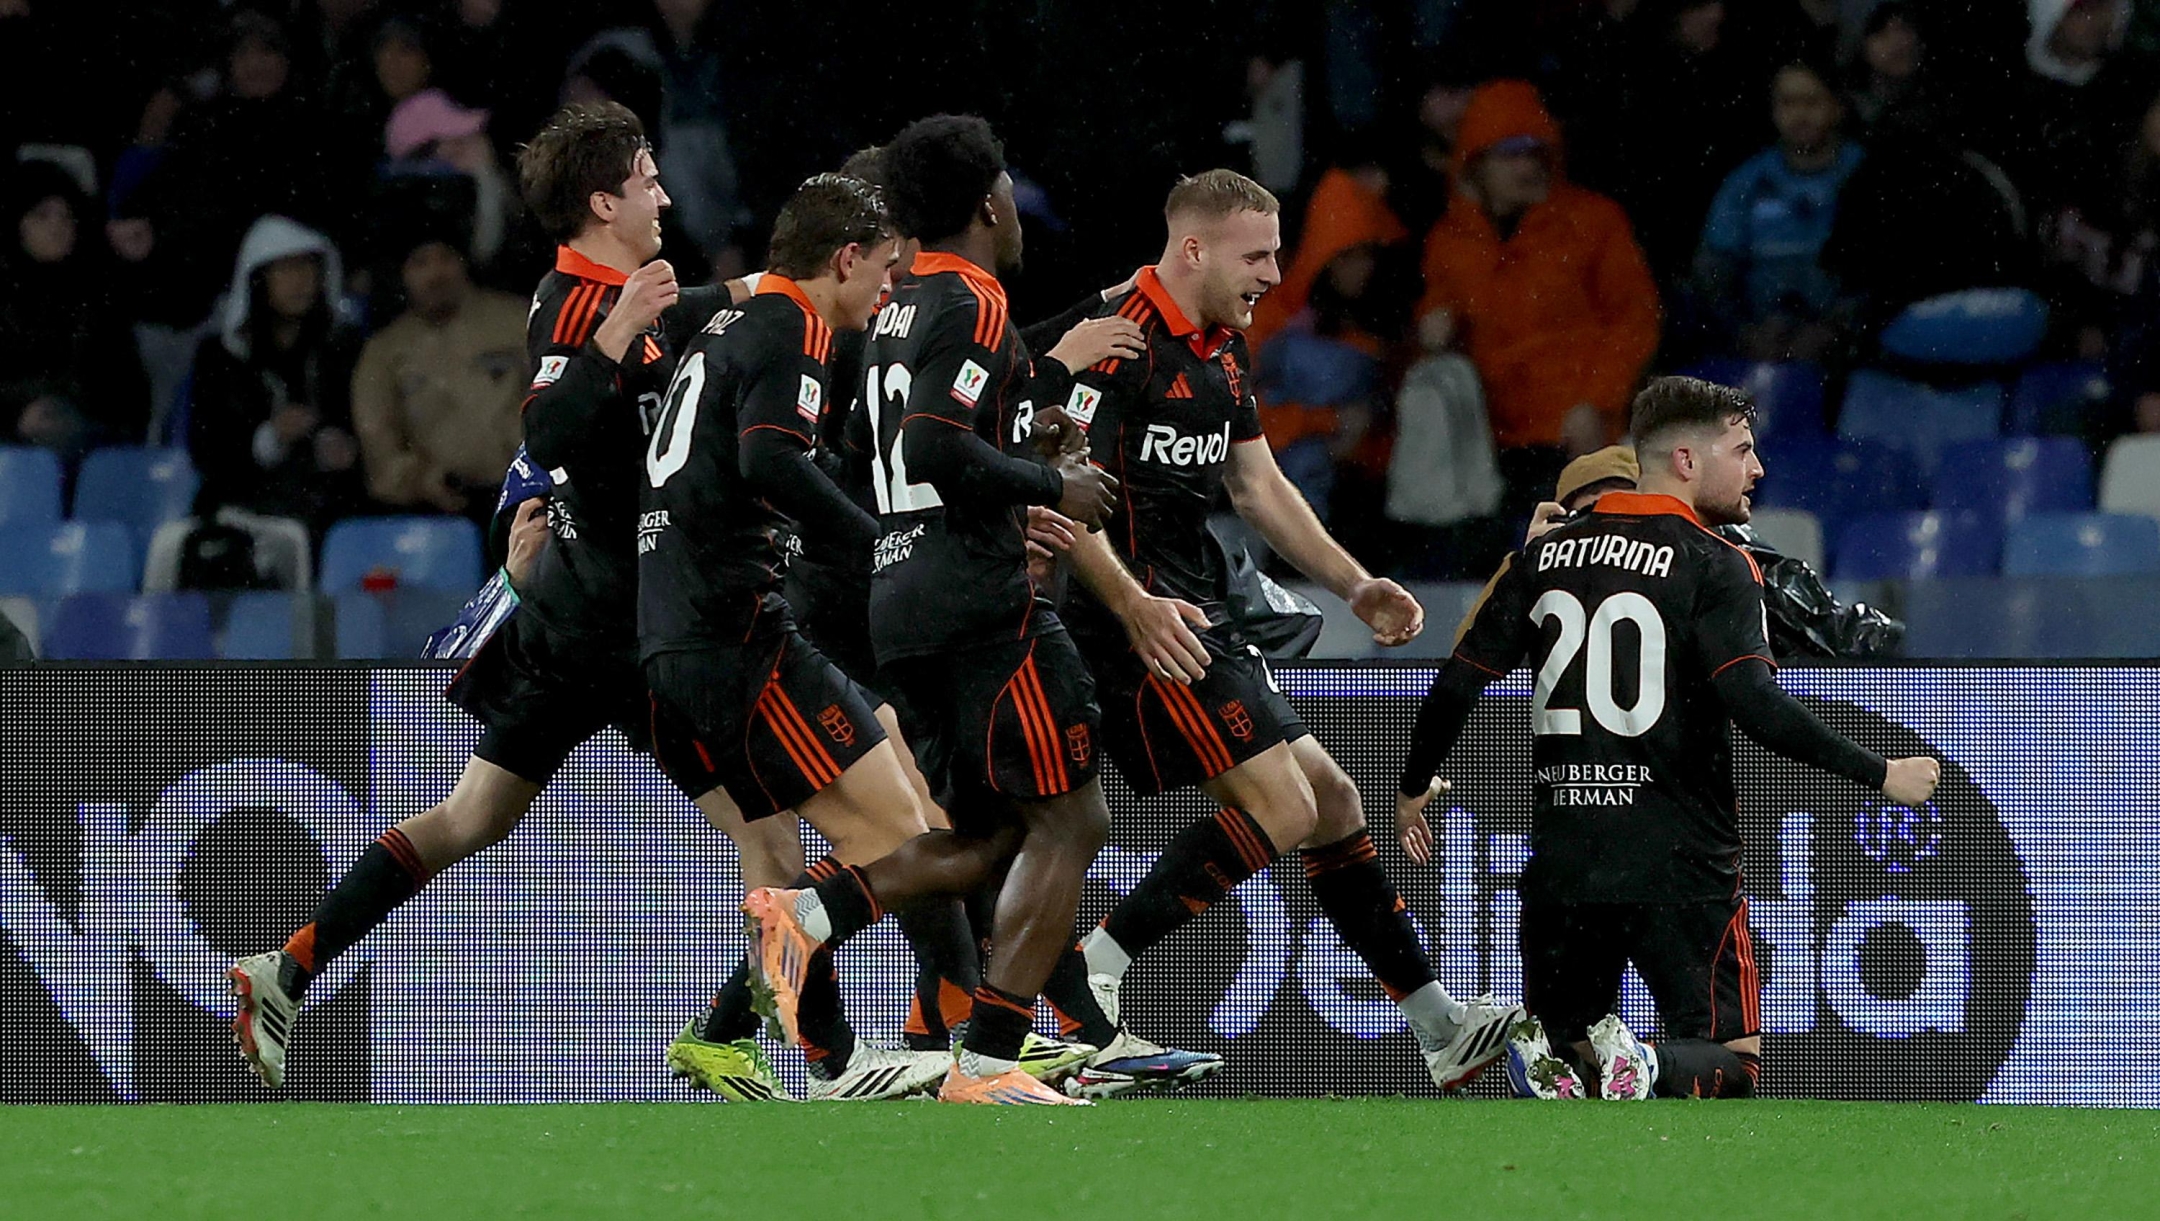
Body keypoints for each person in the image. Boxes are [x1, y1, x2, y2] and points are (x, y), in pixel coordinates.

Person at [222, 103, 783, 1097]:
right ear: (604, 200)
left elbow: (689, 312)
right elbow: (555, 426)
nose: (662, 191)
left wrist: (780, 284)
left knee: (469, 815)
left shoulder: (627, 293)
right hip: (626, 624)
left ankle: (287, 965)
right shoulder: (577, 304)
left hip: (581, 617)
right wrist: (617, 338)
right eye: (647, 176)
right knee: (770, 837)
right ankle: (739, 1039)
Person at [1054, 169, 1526, 1096]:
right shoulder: (1113, 344)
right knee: (1286, 807)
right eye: (1257, 253)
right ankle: (1093, 970)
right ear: (1193, 249)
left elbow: (1257, 484)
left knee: (1337, 801)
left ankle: (1441, 1030)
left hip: (1203, 612)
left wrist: (1354, 584)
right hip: (1141, 623)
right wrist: (1131, 608)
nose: (1276, 271)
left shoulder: (1221, 349)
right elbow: (1063, 494)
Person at [736, 114, 1136, 1105]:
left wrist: (1020, 430)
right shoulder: (975, 297)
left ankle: (816, 919)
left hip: (899, 594)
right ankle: (993, 1061)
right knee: (1076, 819)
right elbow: (933, 444)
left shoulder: (898, 305)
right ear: (990, 203)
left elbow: (935, 432)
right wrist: (1047, 485)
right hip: (971, 598)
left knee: (991, 834)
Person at [1396, 376, 1942, 1100]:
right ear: (1685, 459)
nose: (1758, 469)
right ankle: (1646, 1063)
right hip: (1681, 861)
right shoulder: (1715, 561)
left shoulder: (1542, 557)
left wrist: (1410, 787)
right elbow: (1755, 703)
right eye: (1743, 450)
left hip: (1565, 865)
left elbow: (1458, 683)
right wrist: (1881, 772)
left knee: (1581, 1061)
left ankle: (1550, 1051)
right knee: (1731, 1061)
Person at [1415, 79, 1660, 519]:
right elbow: (1436, 327)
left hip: (1577, 437)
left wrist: (1596, 404)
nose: (1526, 165)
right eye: (1509, 153)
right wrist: (1433, 331)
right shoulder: (1450, 240)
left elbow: (1635, 320)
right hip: (1488, 452)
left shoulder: (1593, 223)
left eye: (1534, 151)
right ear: (1476, 164)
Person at [186, 214, 365, 536]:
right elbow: (209, 450)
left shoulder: (343, 349)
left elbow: (361, 422)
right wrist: (271, 438)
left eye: (308, 267)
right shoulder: (220, 357)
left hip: (330, 506)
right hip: (242, 506)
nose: (301, 280)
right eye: (285, 269)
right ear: (258, 280)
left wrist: (337, 445)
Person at [349, 227, 528, 524]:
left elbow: (560, 399)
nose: (436, 273)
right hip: (434, 516)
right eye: (420, 263)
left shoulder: (519, 321)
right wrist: (423, 481)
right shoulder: (383, 352)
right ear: (402, 274)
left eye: (446, 258)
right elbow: (377, 437)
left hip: (528, 500)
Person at [1691, 59, 1865, 363]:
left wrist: (1833, 330)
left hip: (1849, 347)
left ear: (1838, 108)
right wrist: (1744, 333)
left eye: (1811, 102)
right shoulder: (1747, 180)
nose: (1799, 115)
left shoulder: (1865, 174)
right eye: (1787, 103)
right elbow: (1713, 269)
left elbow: (1885, 272)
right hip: (1760, 343)